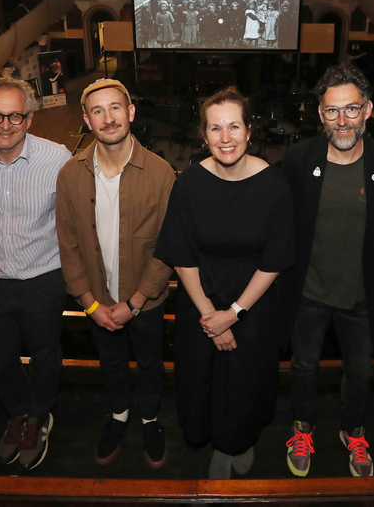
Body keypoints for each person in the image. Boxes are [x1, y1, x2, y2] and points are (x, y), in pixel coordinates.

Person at [155, 89, 294, 479]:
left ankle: (239, 441)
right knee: (202, 377)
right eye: (215, 128)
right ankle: (213, 439)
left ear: (249, 130)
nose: (226, 137)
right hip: (200, 299)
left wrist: (233, 314)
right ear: (203, 134)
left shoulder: (275, 185)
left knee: (245, 379)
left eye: (234, 126)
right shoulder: (189, 184)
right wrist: (210, 317)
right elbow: (181, 255)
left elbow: (274, 261)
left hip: (253, 301)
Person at [282, 64, 374, 478]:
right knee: (303, 367)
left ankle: (353, 431)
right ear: (320, 114)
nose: (342, 120)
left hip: (360, 294)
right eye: (332, 111)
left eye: (351, 109)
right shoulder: (299, 159)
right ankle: (302, 427)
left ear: (367, 109)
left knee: (361, 373)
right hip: (308, 292)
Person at [0, 77, 71, 470]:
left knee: (45, 357)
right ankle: (17, 413)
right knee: (0, 361)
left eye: (15, 116)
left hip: (45, 279)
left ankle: (38, 417)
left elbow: (69, 219)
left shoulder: (57, 158)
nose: (6, 125)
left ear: (30, 119)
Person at [56, 79, 175, 468]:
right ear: (86, 120)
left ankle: (150, 420)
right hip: (98, 302)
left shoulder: (160, 173)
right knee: (111, 363)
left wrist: (135, 302)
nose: (108, 118)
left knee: (150, 363)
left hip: (146, 301)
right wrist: (90, 304)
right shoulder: (70, 174)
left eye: (115, 108)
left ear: (131, 112)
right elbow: (68, 243)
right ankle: (119, 415)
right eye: (98, 111)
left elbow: (167, 247)